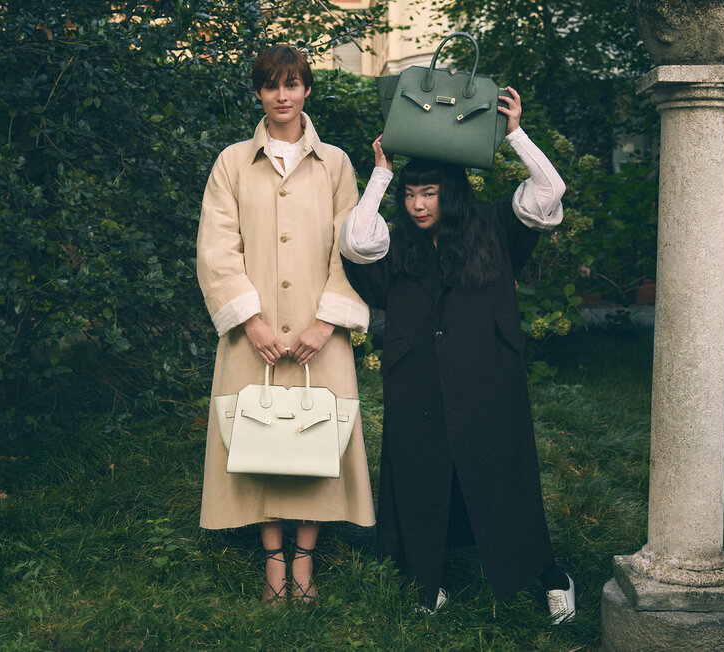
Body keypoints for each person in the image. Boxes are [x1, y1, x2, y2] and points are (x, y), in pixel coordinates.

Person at [339, 88, 576, 622]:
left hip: (488, 375)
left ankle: (549, 575)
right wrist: (381, 173)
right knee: (423, 475)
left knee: (501, 474)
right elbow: (355, 243)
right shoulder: (397, 242)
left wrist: (514, 133)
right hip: (416, 378)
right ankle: (429, 580)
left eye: (429, 193)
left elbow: (549, 190)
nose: (419, 205)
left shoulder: (495, 227)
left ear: (453, 194)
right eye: (411, 195)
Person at [196, 44, 375, 605]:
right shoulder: (230, 163)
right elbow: (216, 249)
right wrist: (249, 321)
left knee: (319, 440)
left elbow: (354, 246)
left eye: (292, 84)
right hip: (258, 334)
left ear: (307, 90)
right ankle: (273, 557)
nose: (282, 96)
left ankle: (305, 561)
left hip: (319, 336)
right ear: (257, 92)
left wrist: (328, 322)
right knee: (258, 440)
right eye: (271, 85)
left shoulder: (339, 164)